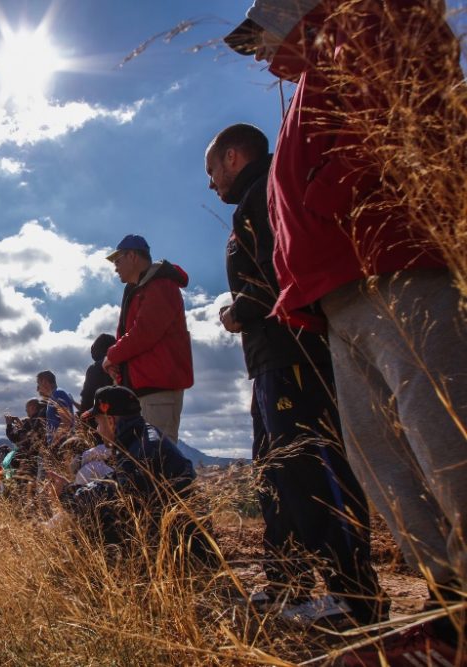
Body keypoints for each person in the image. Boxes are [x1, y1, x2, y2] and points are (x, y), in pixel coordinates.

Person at [226, 0, 465, 648]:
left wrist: (324, 200)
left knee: (437, 431)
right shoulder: (311, 77)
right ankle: (447, 610)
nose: (254, 51)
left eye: (258, 32)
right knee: (380, 454)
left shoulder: (374, 22)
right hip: (338, 296)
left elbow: (402, 116)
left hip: (393, 268)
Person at [205, 122, 386, 625]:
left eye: (211, 169)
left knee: (313, 469)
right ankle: (288, 584)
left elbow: (279, 267)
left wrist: (243, 307)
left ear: (234, 157)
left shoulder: (268, 190)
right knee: (276, 475)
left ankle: (356, 596)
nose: (210, 182)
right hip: (269, 362)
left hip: (294, 354)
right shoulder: (252, 199)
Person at [48, 386, 213, 563]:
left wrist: (67, 493)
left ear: (111, 421)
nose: (97, 429)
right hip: (185, 542)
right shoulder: (141, 439)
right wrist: (73, 491)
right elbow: (116, 484)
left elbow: (113, 497)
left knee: (91, 518)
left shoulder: (143, 450)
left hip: (180, 555)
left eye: (98, 423)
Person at [101, 235, 193, 442]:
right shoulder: (140, 289)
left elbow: (144, 332)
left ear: (132, 256)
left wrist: (112, 356)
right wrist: (118, 365)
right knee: (143, 459)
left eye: (117, 261)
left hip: (157, 388)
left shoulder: (161, 285)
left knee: (158, 459)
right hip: (143, 389)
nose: (115, 268)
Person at [36, 370, 76, 451]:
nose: (38, 387)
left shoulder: (58, 394)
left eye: (38, 383)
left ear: (45, 382)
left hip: (63, 446)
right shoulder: (54, 395)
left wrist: (53, 443)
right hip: (60, 444)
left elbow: (67, 421)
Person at [79, 333, 117, 413]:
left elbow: (87, 397)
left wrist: (82, 416)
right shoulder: (122, 364)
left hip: (100, 418)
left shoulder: (94, 369)